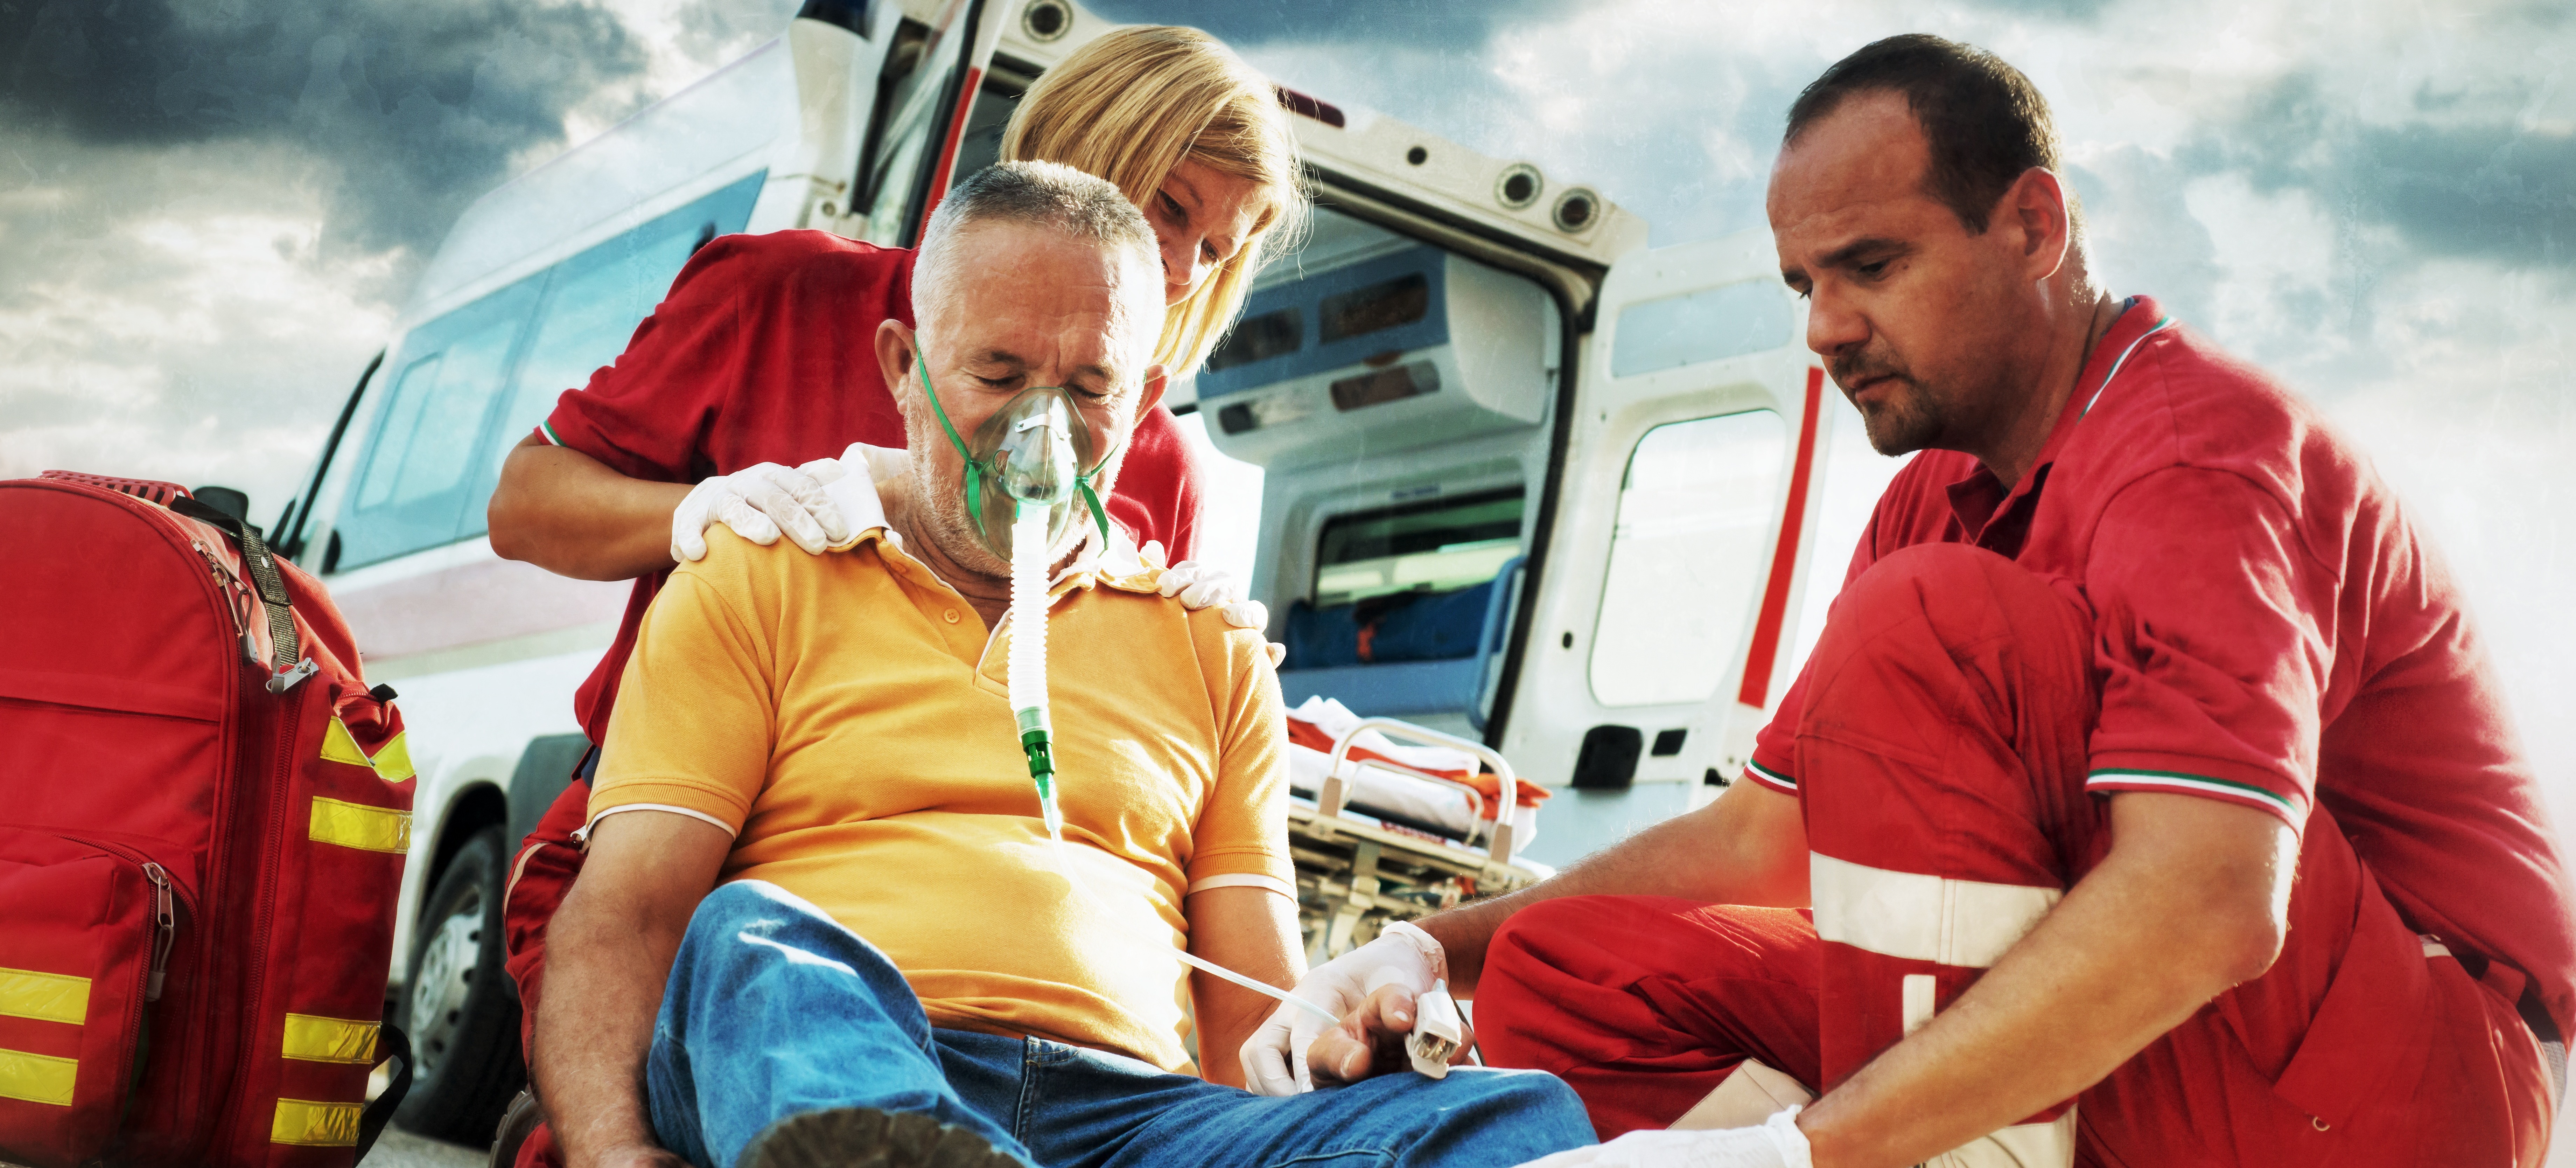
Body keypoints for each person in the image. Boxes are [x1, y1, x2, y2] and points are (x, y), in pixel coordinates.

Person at [1241, 34, 2571, 1168]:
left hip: (2420, 1071)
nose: (1822, 329)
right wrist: (1425, 946)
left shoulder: (2193, 456)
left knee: (1934, 620)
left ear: (2035, 228)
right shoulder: (1934, 493)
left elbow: (2214, 902)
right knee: (1570, 971)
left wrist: (1801, 1152)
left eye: (1869, 268)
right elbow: (1762, 841)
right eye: (1803, 286)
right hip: (2202, 1038)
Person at [532, 161, 1592, 1168]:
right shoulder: (761, 573)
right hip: (830, 1060)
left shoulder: (1207, 645)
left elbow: (1257, 1020)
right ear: (903, 367)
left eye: (1091, 389)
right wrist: (614, 1149)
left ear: (1141, 403)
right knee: (753, 944)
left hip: (1135, 1115)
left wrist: (1353, 1041)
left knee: (1513, 1115)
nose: (1042, 431)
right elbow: (628, 915)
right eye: (997, 374)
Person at [483, 28, 1306, 1155]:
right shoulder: (781, 292)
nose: (1180, 272)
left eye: (1220, 250)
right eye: (1171, 209)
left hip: (1042, 1013)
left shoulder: (1149, 456)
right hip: (703, 865)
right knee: (757, 973)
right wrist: (698, 513)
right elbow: (524, 505)